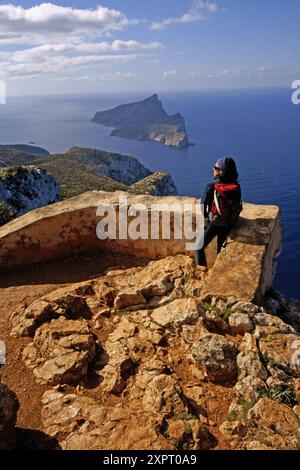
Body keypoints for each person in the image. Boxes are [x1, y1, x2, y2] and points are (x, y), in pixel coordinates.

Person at [195, 157, 242, 266]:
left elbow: (202, 206)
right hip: (230, 224)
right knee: (221, 251)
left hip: (215, 224)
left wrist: (207, 219)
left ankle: (201, 272)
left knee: (198, 247)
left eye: (215, 167)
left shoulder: (211, 187)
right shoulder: (236, 186)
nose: (213, 169)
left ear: (221, 171)